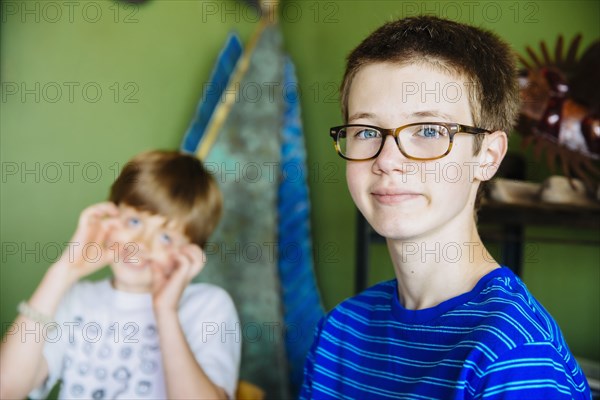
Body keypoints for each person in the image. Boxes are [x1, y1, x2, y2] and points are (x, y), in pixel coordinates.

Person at [300, 16, 592, 399]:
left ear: (487, 156)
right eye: (367, 132)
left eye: (428, 131)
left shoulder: (513, 355)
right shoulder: (340, 331)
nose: (387, 160)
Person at [0, 150, 241, 400]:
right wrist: (63, 272)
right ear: (110, 216)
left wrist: (165, 311)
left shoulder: (208, 306)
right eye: (134, 222)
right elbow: (5, 389)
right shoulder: (76, 299)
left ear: (190, 254)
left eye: (166, 237)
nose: (141, 244)